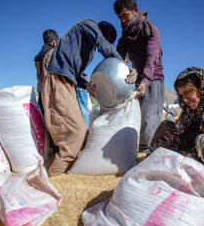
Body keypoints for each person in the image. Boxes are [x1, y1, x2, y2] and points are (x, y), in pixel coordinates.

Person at [42, 19, 137, 176]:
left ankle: (53, 174)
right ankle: (51, 179)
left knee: (74, 134)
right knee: (76, 134)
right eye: (109, 42)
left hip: (67, 83)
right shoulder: (87, 25)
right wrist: (122, 66)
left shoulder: (88, 51)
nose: (107, 45)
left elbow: (77, 74)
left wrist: (86, 84)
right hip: (59, 80)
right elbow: (102, 44)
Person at [114, 0, 165, 150]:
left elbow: (152, 58)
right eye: (119, 17)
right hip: (136, 81)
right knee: (137, 121)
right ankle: (140, 156)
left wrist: (145, 81)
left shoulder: (150, 30)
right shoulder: (125, 37)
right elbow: (117, 60)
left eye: (125, 15)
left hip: (153, 79)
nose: (122, 20)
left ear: (135, 11)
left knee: (150, 120)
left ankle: (152, 156)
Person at [34, 29, 59, 114]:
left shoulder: (39, 56)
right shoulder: (54, 53)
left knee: (45, 121)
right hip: (52, 94)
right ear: (54, 42)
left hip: (41, 92)